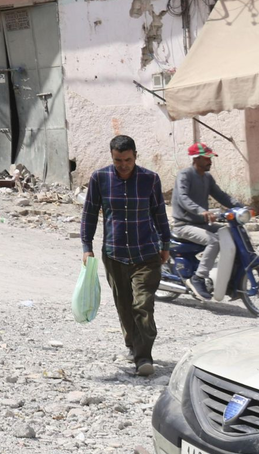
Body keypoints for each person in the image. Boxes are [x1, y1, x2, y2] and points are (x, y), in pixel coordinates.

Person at [80, 135, 171, 377]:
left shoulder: (150, 179)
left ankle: (144, 357)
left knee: (143, 305)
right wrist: (86, 246)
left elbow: (159, 212)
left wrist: (166, 243)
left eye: (128, 160)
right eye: (118, 160)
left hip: (146, 253)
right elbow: (89, 214)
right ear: (112, 157)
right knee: (124, 306)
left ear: (135, 156)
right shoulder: (100, 178)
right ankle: (133, 344)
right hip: (115, 254)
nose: (123, 165)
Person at [171, 143, 240, 301]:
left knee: (231, 234)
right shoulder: (185, 175)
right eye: (207, 158)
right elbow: (183, 198)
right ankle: (199, 278)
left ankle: (231, 278)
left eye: (210, 158)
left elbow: (221, 196)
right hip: (184, 225)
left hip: (202, 224)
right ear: (196, 159)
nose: (210, 161)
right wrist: (201, 211)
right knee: (213, 241)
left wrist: (241, 207)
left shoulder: (207, 178)